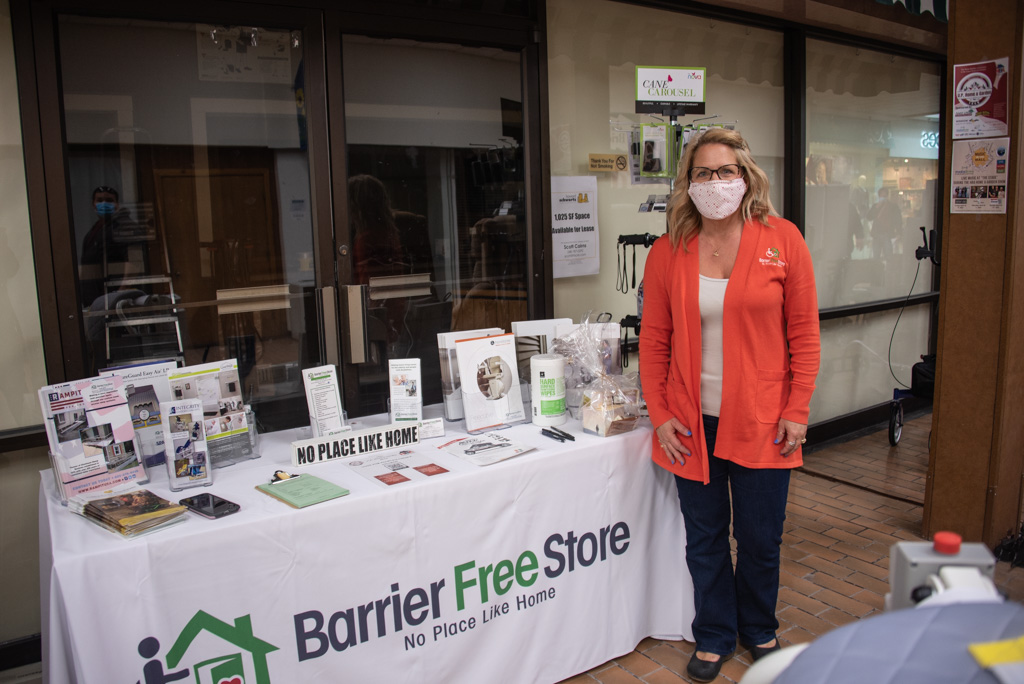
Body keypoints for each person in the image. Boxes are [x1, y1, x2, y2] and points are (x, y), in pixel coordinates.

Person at [639, 128, 820, 682]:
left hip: (764, 419)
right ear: (687, 183)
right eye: (702, 173)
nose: (715, 183)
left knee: (762, 537)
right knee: (706, 538)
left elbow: (805, 334)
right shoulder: (668, 250)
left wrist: (797, 408)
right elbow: (654, 340)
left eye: (725, 172)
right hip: (691, 421)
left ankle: (759, 627)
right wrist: (661, 413)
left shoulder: (782, 239)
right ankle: (715, 632)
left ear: (745, 177)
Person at [866, 186, 903, 259]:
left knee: (889, 256)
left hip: (887, 234)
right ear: (879, 196)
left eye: (885, 196)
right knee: (876, 257)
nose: (883, 198)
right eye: (881, 196)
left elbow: (898, 220)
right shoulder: (875, 206)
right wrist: (877, 207)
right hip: (876, 234)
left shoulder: (893, 207)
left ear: (887, 196)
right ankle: (877, 269)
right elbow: (869, 217)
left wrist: (899, 232)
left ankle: (889, 269)